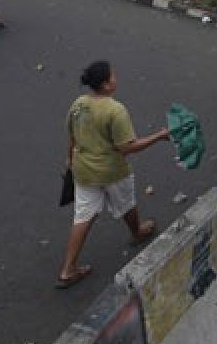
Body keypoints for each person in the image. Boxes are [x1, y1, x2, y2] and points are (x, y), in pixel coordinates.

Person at [57, 61, 170, 288]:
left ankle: (68, 270)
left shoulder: (79, 104)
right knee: (126, 203)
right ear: (106, 85)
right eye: (112, 77)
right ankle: (137, 232)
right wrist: (159, 136)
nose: (116, 79)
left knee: (83, 216)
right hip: (112, 171)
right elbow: (127, 147)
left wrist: (70, 159)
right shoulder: (115, 110)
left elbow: (72, 135)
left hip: (83, 170)